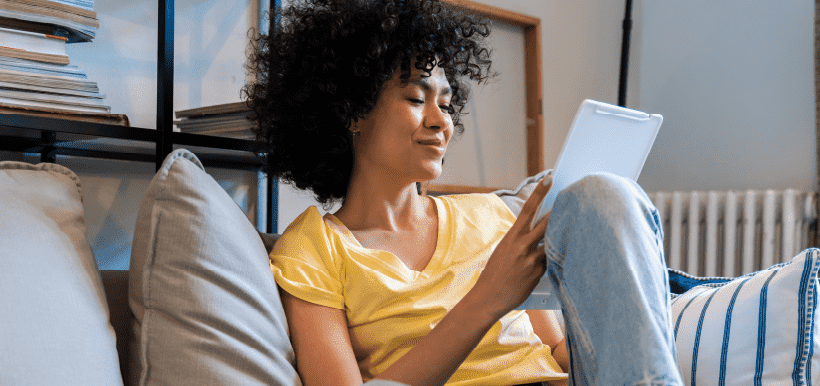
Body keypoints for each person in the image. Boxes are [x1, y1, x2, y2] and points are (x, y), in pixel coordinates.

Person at [244, 0, 684, 385]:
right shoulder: (312, 249)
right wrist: (488, 297)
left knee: (603, 194)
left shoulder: (492, 216)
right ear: (353, 112)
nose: (441, 121)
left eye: (447, 103)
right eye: (417, 99)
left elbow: (554, 354)